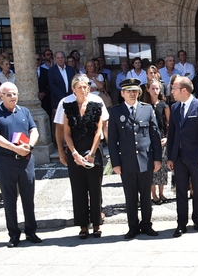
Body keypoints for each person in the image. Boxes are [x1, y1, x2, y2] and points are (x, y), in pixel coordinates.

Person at [0, 82, 42, 248]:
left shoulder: (24, 111)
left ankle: (31, 230)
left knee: (28, 197)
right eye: (9, 94)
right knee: (9, 198)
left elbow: (34, 130)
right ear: (1, 96)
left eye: (15, 94)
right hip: (6, 161)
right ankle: (14, 233)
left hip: (25, 160)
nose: (13, 97)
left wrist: (29, 146)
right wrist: (15, 148)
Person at [108, 79, 161, 239]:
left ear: (139, 92)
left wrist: (157, 159)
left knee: (146, 195)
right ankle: (133, 226)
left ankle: (146, 224)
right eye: (128, 91)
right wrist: (115, 163)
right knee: (130, 196)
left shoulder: (147, 109)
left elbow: (155, 135)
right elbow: (112, 140)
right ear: (122, 93)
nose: (132, 94)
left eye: (135, 91)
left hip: (146, 159)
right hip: (127, 161)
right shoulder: (116, 112)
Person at [167, 76, 198, 237]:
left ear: (183, 90)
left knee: (197, 191)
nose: (172, 92)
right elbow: (171, 134)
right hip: (179, 158)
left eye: (174, 88)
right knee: (180, 191)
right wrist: (170, 157)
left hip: (196, 158)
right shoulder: (174, 108)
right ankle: (181, 223)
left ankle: (197, 220)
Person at [62, 75, 105, 239]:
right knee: (78, 189)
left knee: (95, 188)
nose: (84, 89)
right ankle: (82, 225)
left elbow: (98, 132)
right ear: (73, 89)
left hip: (93, 151)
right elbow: (66, 133)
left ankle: (96, 223)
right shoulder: (68, 107)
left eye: (86, 86)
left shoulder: (96, 105)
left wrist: (92, 154)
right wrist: (74, 153)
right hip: (75, 152)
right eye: (80, 87)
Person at [142, 79, 170, 205]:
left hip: (161, 139)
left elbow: (169, 124)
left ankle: (161, 192)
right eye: (152, 88)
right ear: (147, 89)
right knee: (151, 168)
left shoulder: (164, 105)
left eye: (157, 88)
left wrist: (167, 137)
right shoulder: (143, 106)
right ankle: (153, 193)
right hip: (148, 141)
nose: (155, 91)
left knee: (162, 168)